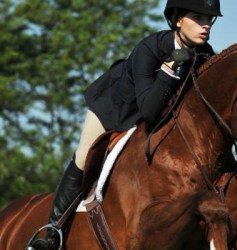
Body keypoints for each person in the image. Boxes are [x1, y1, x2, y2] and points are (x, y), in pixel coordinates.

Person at [31, 0, 222, 249]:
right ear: (177, 20)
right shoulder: (149, 49)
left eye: (209, 20)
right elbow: (148, 109)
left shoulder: (206, 56)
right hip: (116, 111)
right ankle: (52, 231)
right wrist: (170, 70)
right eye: (198, 17)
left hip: (150, 123)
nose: (205, 25)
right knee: (83, 157)